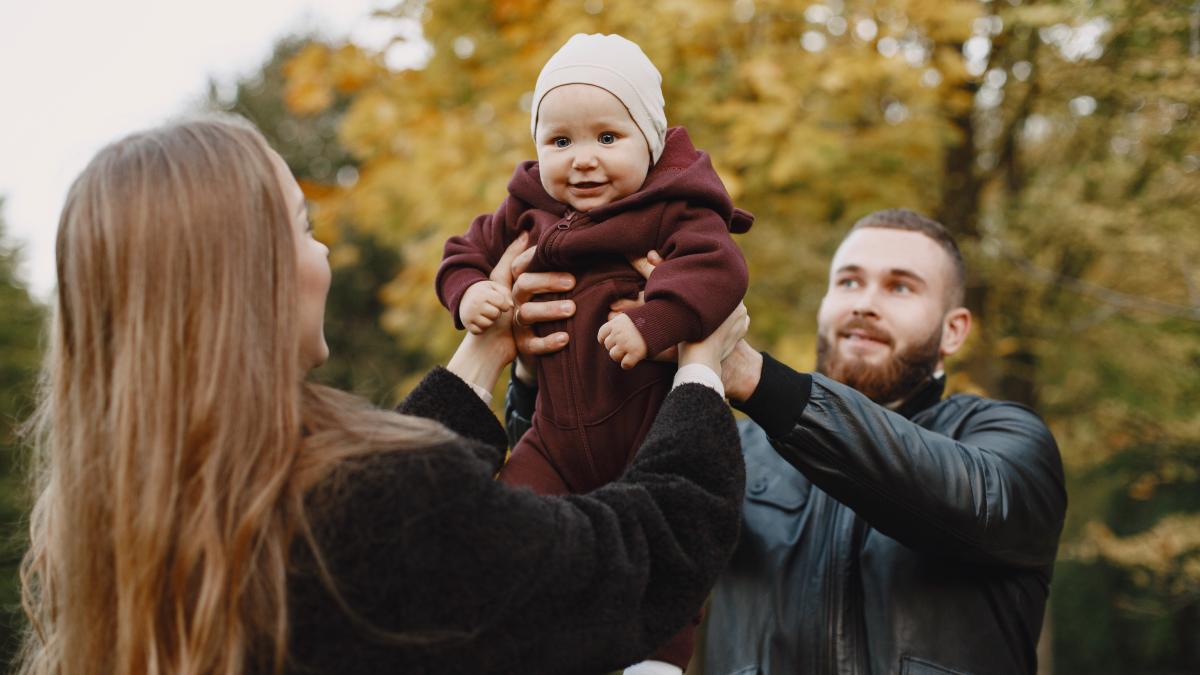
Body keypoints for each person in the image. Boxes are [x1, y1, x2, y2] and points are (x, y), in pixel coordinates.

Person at [16, 116, 750, 675]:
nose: (325, 253)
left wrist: (489, 345)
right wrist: (699, 368)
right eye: (303, 228)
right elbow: (628, 562)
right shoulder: (369, 514)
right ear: (250, 277)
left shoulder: (111, 527)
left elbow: (383, 505)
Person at [507, 209, 1068, 675]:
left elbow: (971, 500)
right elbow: (590, 520)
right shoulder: (735, 451)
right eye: (848, 281)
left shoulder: (1007, 439)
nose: (864, 302)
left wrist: (750, 376)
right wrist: (544, 375)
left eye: (900, 286)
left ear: (954, 330)